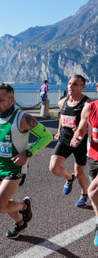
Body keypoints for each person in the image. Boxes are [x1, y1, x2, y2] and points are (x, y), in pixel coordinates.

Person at [0, 83, 53, 239]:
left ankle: (24, 206)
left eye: (0, 100)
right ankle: (21, 224)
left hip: (15, 168)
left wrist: (28, 153)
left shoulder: (23, 119)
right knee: (4, 204)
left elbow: (47, 136)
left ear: (11, 100)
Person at [49, 75, 92, 207]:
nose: (70, 86)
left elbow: (92, 124)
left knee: (80, 173)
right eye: (69, 83)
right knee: (53, 168)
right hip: (65, 139)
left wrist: (82, 130)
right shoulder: (63, 102)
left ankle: (84, 194)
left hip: (80, 142)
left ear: (82, 87)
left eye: (75, 84)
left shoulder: (87, 104)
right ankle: (69, 177)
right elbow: (62, 117)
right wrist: (59, 130)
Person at [71, 82, 98, 246]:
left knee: (93, 191)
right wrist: (77, 138)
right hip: (93, 158)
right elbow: (81, 130)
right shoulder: (90, 108)